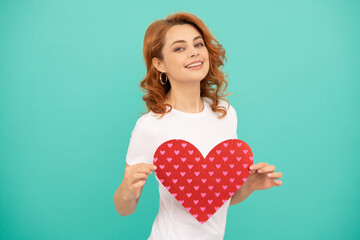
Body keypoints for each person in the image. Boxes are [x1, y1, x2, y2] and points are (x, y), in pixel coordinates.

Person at [113, 11, 283, 240]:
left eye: (198, 44)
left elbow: (213, 200)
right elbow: (125, 208)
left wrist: (249, 186)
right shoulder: (151, 125)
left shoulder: (225, 114)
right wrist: (127, 190)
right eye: (179, 48)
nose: (194, 52)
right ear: (160, 64)